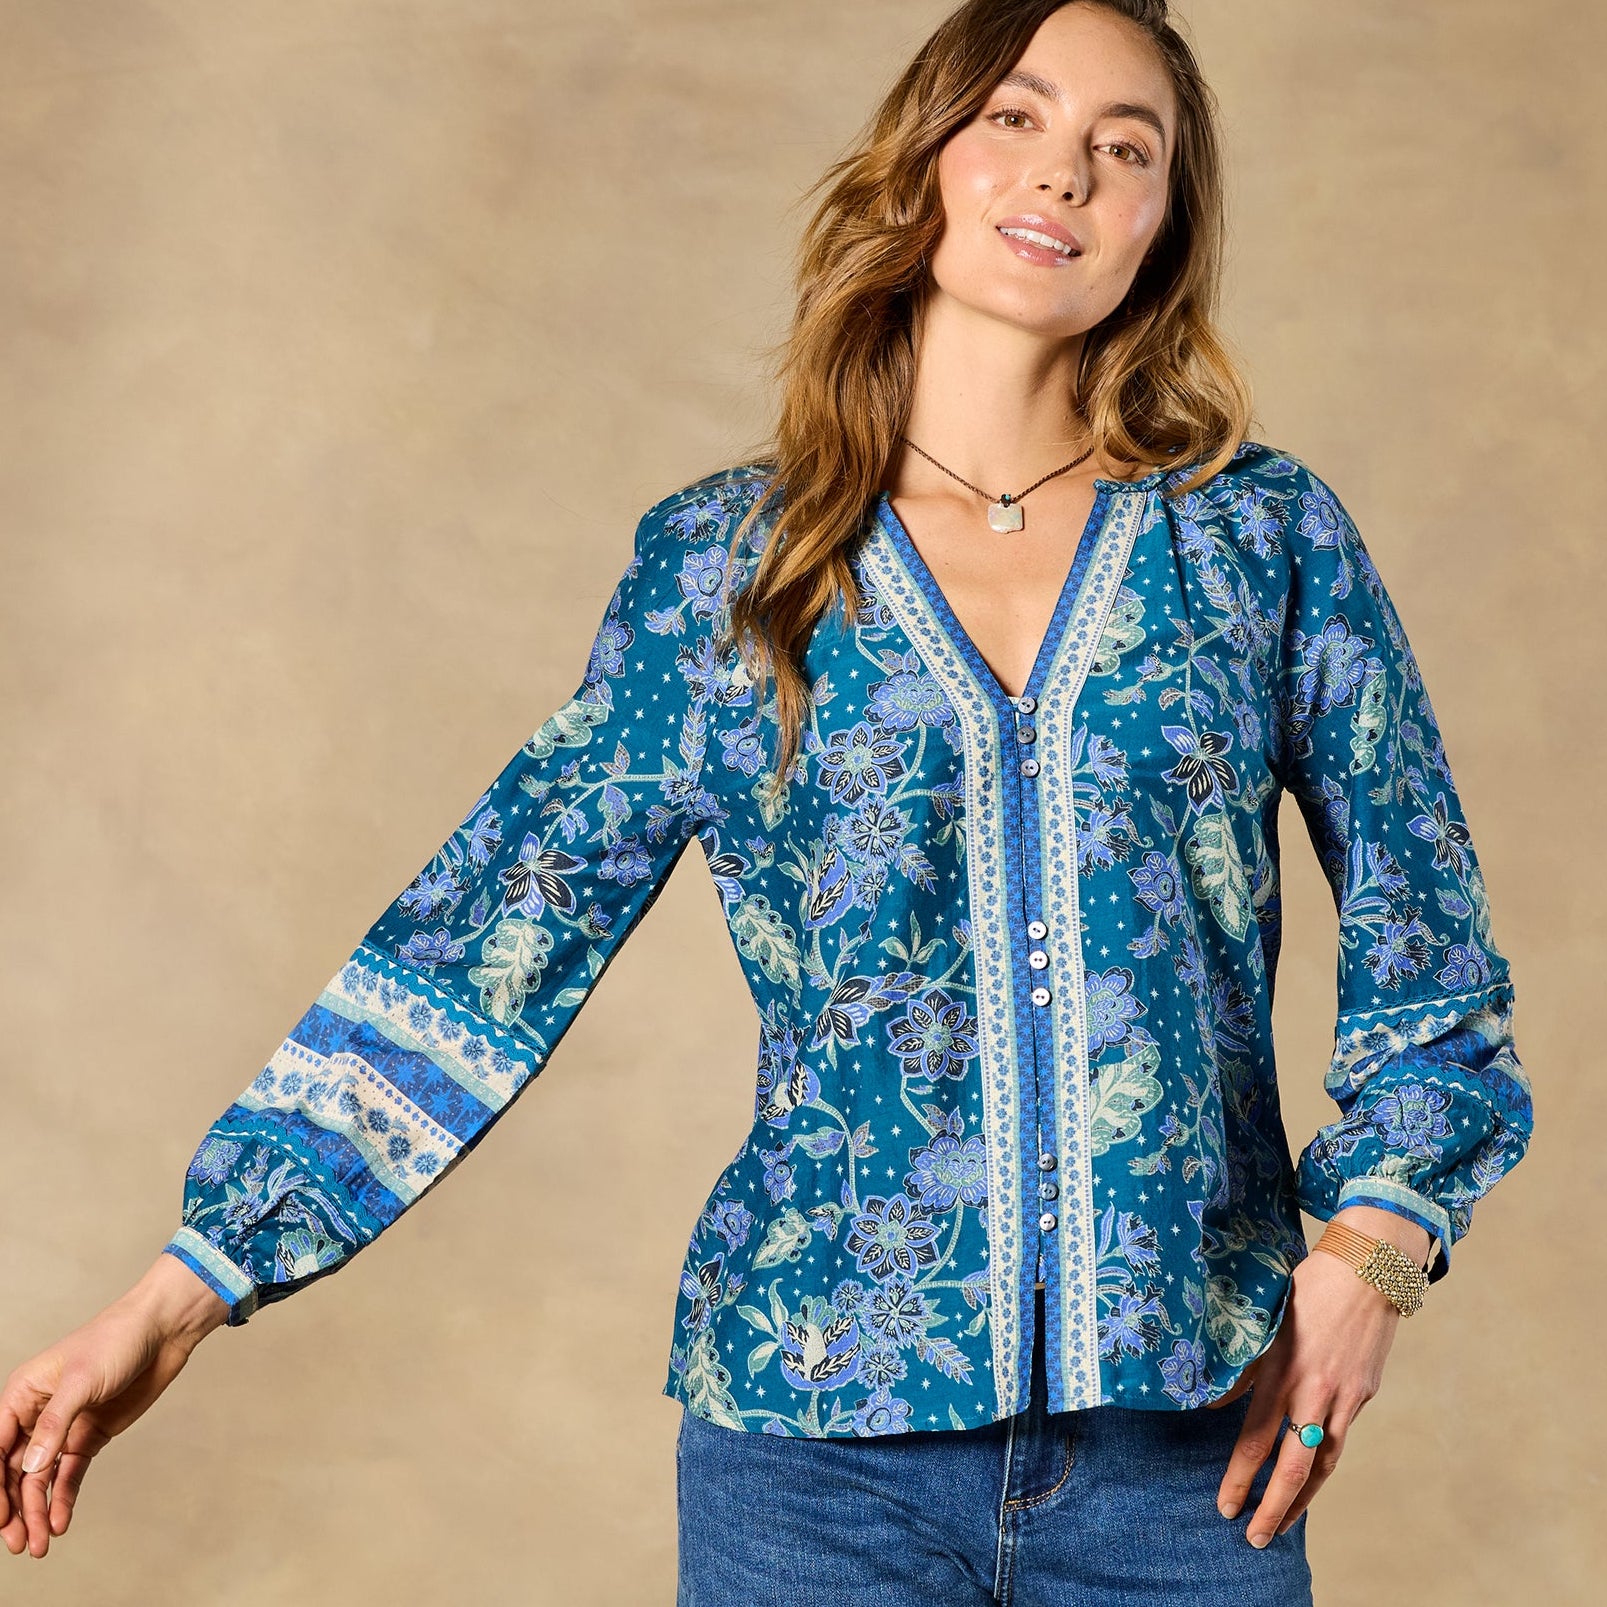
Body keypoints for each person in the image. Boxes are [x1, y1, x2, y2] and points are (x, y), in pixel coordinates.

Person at [3, 1, 1533, 1600]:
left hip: (1184, 1463)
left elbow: (1432, 951)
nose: (1065, 172)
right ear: (927, 157)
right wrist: (183, 1290)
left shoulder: (1258, 544)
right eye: (1016, 118)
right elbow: (489, 938)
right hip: (813, 1467)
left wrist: (1374, 1251)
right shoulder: (732, 571)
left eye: (1124, 147)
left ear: (1165, 222)